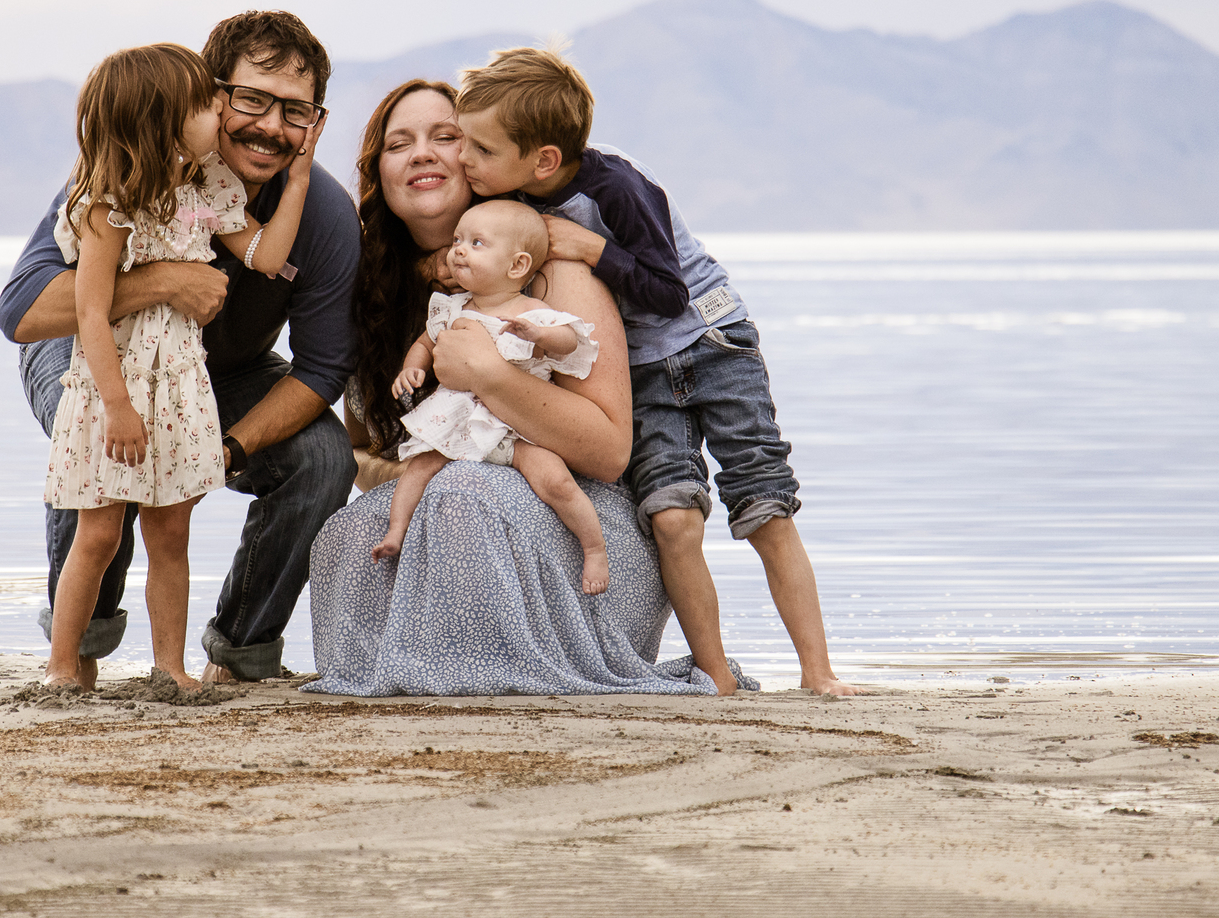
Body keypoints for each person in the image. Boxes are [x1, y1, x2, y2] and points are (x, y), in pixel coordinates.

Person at [303, 80, 752, 697]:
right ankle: (407, 670)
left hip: (580, 518)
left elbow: (609, 452)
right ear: (379, 172)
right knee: (354, 530)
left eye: (446, 137)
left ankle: (497, 671)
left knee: (464, 497)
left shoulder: (550, 269)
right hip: (448, 500)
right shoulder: (374, 290)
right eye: (399, 143)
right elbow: (363, 450)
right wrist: (430, 465)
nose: (423, 153)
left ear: (479, 160)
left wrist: (490, 376)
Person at [454, 45, 860, 696]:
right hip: (642, 369)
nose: (463, 159)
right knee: (672, 519)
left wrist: (593, 249)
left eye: (480, 148)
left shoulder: (616, 187)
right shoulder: (516, 200)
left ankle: (819, 672)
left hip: (711, 341)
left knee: (763, 505)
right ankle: (717, 680)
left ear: (544, 160)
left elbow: (668, 293)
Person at [0, 11, 359, 688]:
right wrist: (164, 281)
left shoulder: (317, 213)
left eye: (295, 111)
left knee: (321, 460)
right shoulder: (118, 176)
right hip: (93, 353)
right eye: (252, 100)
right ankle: (77, 654)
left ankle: (238, 655)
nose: (272, 126)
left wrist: (228, 451)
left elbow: (322, 368)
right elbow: (22, 312)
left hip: (216, 372)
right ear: (208, 94)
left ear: (316, 122)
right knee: (104, 466)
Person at [377, 200, 608, 596]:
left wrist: (540, 335)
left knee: (556, 481)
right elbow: (426, 342)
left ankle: (594, 548)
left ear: (517, 265)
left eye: (476, 243)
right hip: (460, 423)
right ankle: (396, 531)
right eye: (457, 240)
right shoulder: (452, 307)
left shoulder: (531, 311)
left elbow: (570, 341)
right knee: (418, 468)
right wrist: (411, 369)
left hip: (517, 429)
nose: (458, 250)